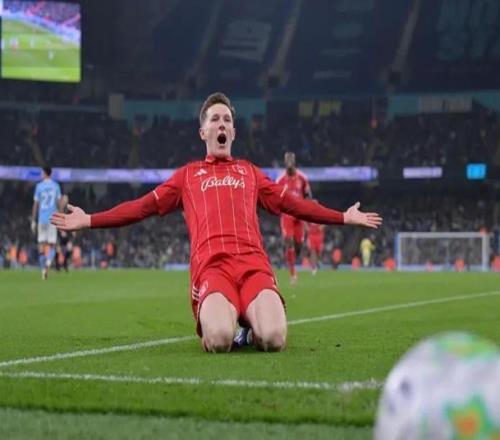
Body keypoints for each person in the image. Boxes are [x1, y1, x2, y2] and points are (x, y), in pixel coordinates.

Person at [51, 92, 382, 353]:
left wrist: (343, 217)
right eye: (215, 119)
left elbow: (294, 205)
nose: (222, 124)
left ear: (233, 132)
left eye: (227, 120)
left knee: (274, 339)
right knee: (220, 340)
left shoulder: (250, 173)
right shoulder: (187, 176)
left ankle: (250, 326)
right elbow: (141, 208)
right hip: (212, 270)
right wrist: (89, 220)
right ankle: (231, 322)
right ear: (203, 132)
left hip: (253, 266)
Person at [276, 152, 312, 285]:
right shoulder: (280, 180)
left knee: (298, 245)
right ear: (285, 163)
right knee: (289, 241)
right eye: (287, 161)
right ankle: (293, 274)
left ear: (294, 162)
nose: (289, 163)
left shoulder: (302, 178)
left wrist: (307, 217)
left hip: (300, 215)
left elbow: (308, 196)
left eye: (291, 160)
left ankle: (290, 257)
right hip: (287, 215)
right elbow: (276, 198)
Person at [32, 166, 62, 280]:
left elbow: (36, 204)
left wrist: (33, 220)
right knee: (52, 245)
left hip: (42, 219)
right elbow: (59, 204)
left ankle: (43, 270)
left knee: (41, 244)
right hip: (52, 219)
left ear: (45, 173)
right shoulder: (56, 186)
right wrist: (61, 217)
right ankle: (48, 263)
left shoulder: (39, 186)